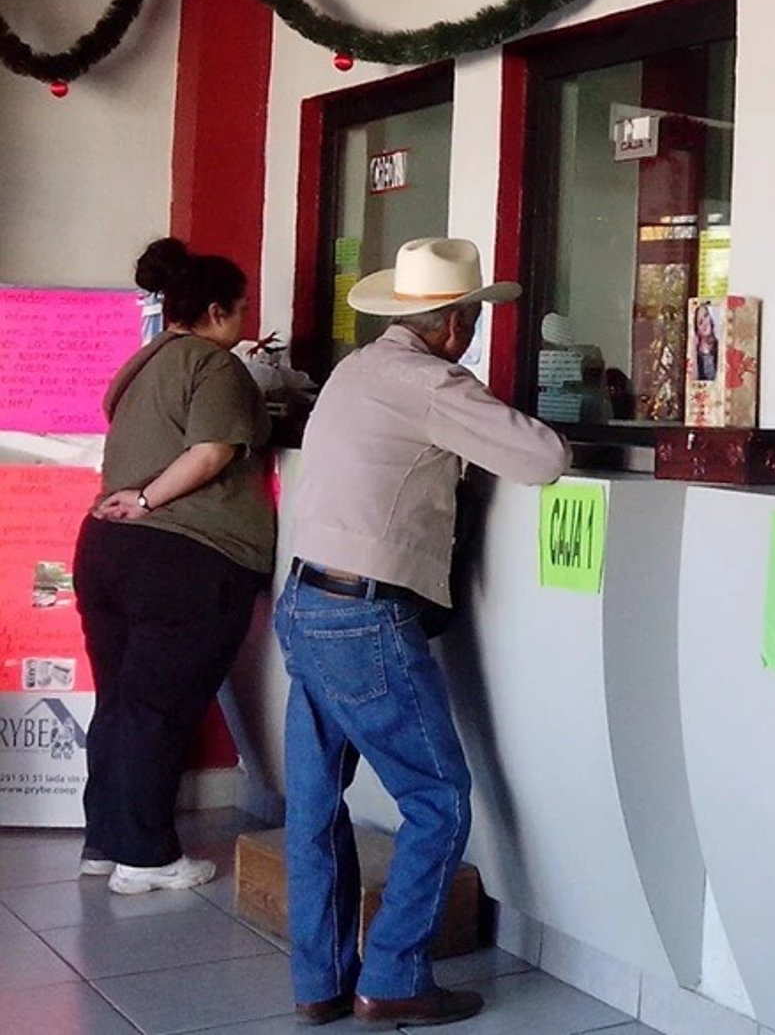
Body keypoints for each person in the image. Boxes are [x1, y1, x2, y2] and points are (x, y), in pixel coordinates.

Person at [276, 237, 569, 1028]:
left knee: (312, 806)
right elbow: (544, 456)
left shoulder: (357, 369)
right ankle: (395, 976)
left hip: (303, 601)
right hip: (363, 617)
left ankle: (320, 981)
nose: (471, 332)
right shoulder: (431, 381)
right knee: (437, 798)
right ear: (453, 322)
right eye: (469, 319)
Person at [73, 237, 273, 894]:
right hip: (182, 555)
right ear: (216, 310)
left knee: (123, 700)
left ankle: (105, 841)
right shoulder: (214, 366)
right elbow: (213, 450)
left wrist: (134, 500)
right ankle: (147, 857)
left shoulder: (138, 365)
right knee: (157, 707)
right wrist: (151, 497)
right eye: (240, 310)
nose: (244, 322)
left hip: (104, 550)